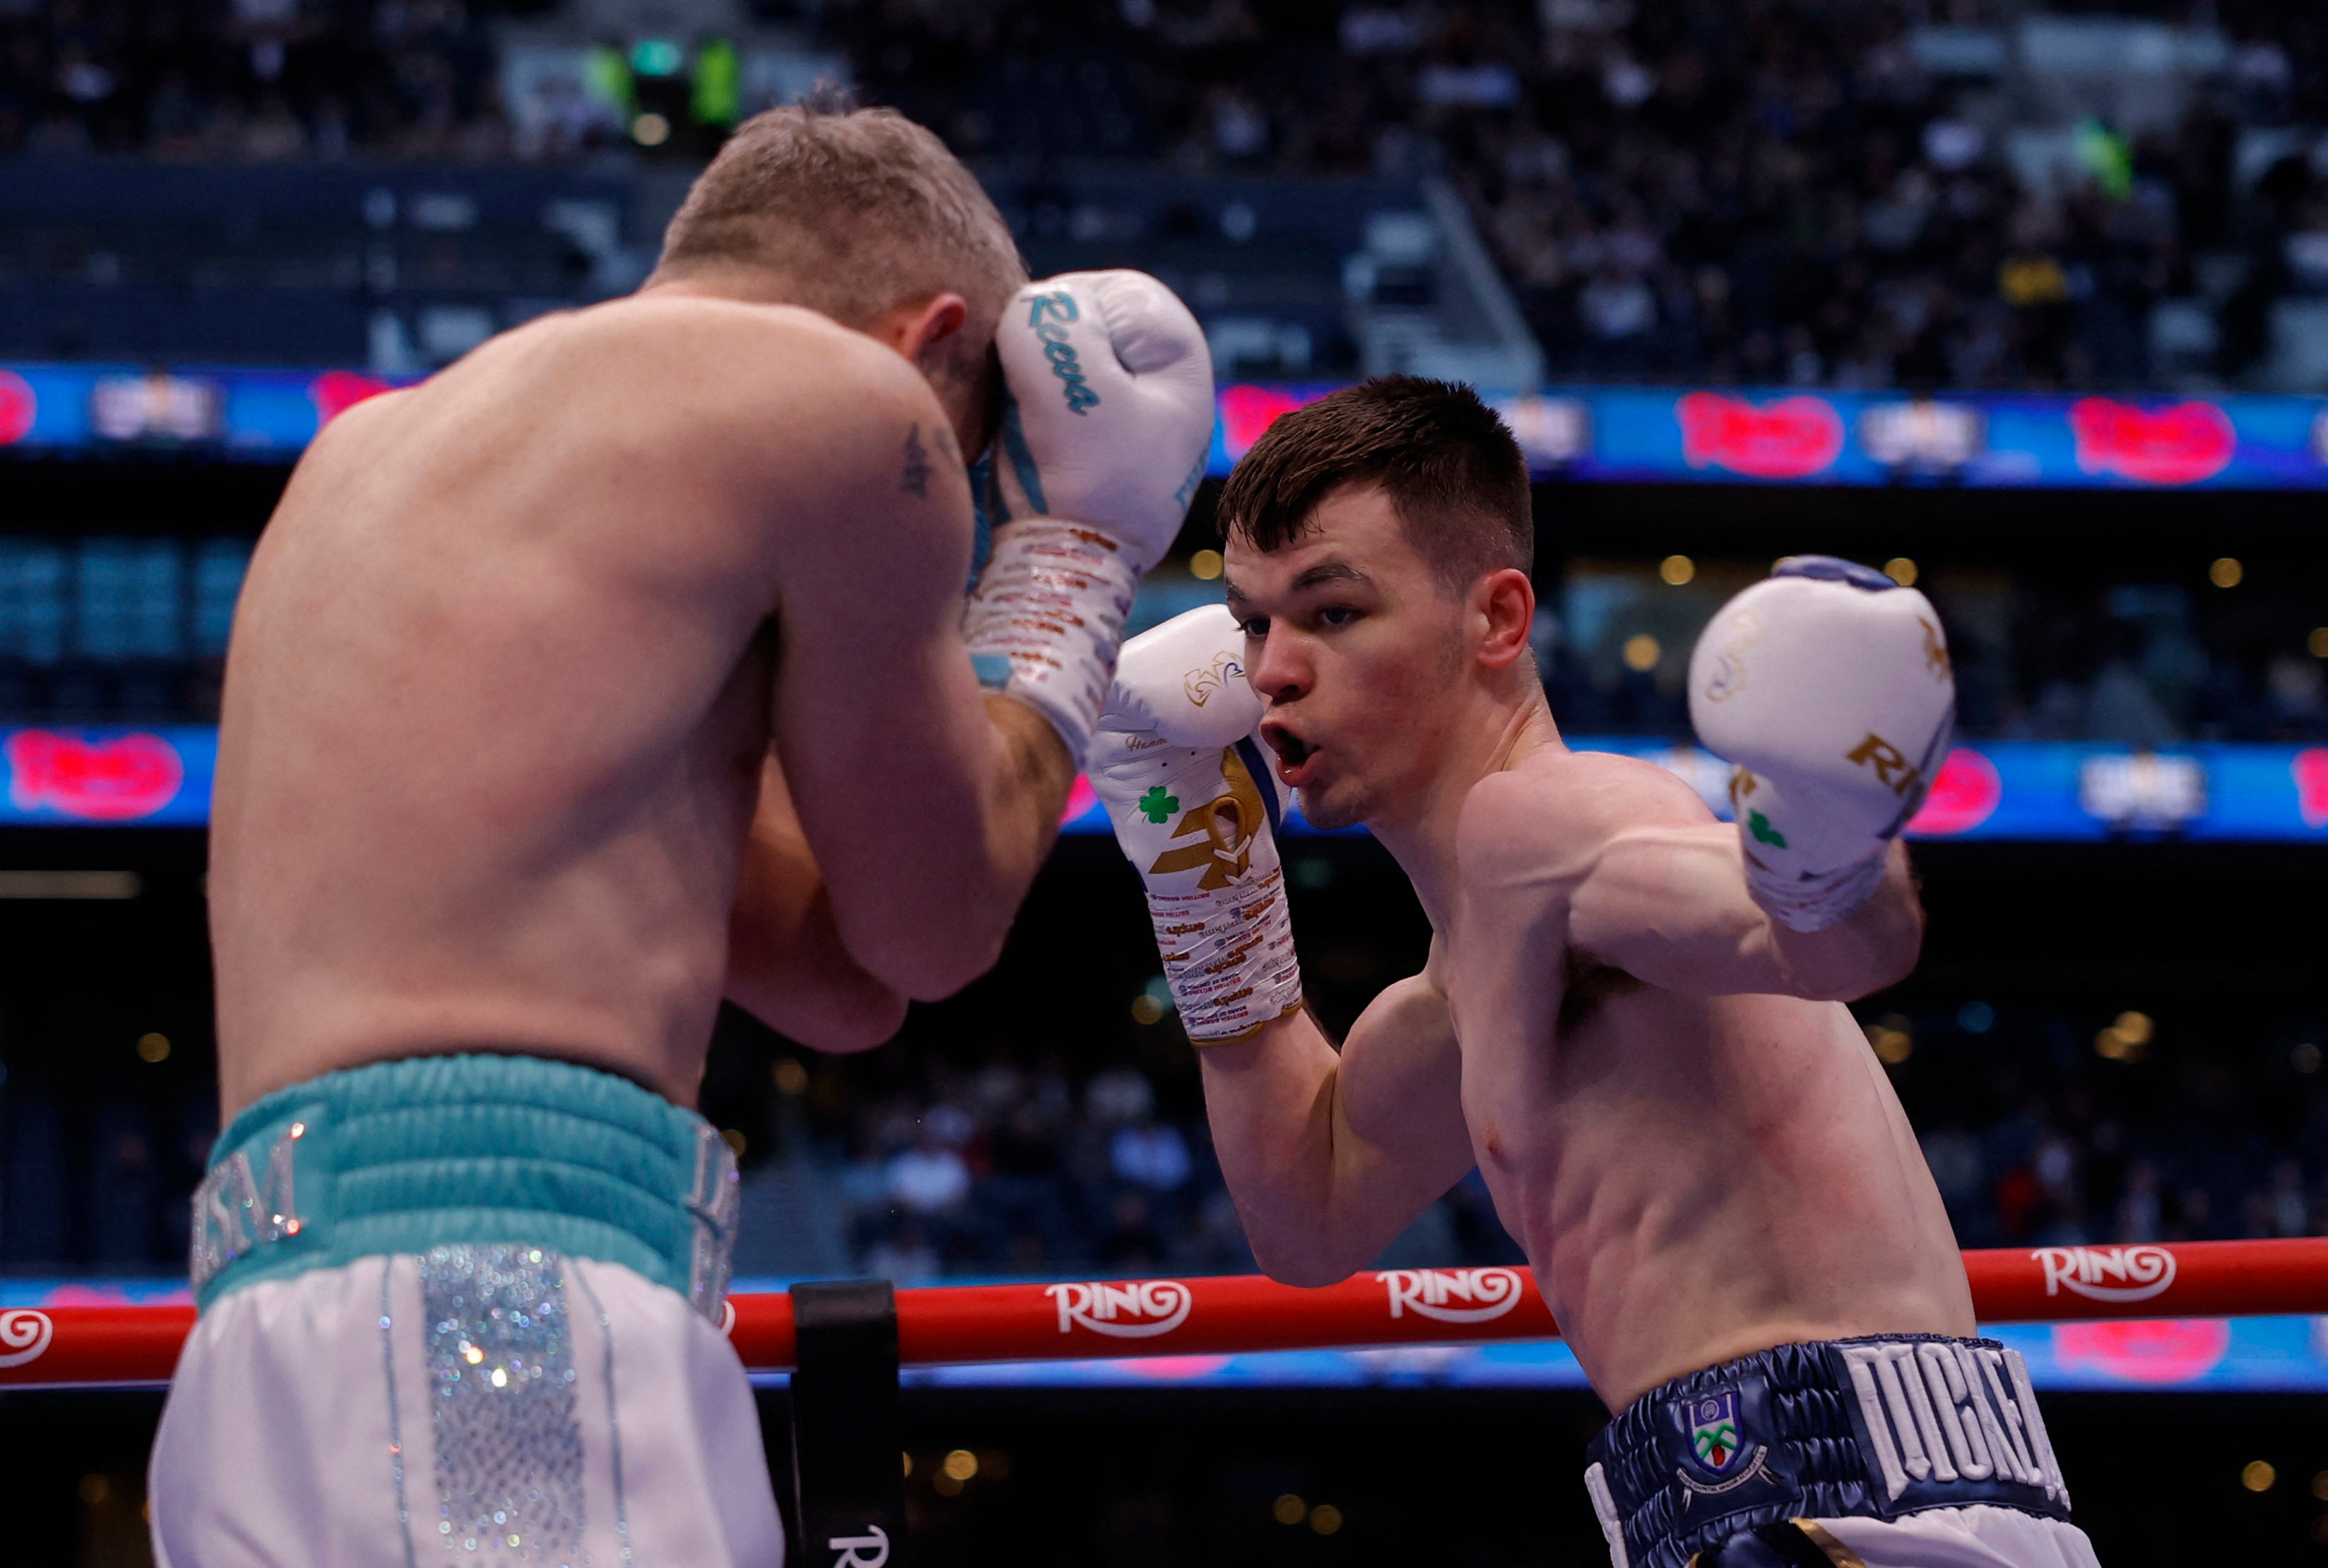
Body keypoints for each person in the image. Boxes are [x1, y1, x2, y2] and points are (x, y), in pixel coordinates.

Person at [150, 100, 1215, 1567]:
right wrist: (1069, 570)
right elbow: (937, 919)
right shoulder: (855, 407)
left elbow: (843, 982)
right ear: (933, 341)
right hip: (501, 1303)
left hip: (272, 1336)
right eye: (972, 465)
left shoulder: (383, 455)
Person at [1089, 376, 2098, 1568]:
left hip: (1860, 1511)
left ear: (1498, 621)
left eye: (1334, 613)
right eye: (1254, 624)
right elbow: (1305, 1218)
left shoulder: (1559, 828)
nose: (1271, 672)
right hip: (1739, 1506)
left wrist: (1827, 828)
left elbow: (1828, 943)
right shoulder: (1454, 989)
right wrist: (1205, 877)